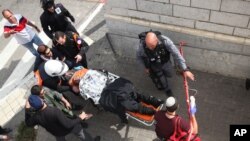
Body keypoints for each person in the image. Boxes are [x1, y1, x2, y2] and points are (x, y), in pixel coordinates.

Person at [68, 67, 164, 123]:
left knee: (133, 106)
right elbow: (104, 73)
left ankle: (153, 112)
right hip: (118, 85)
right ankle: (156, 102)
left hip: (111, 97)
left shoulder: (82, 87)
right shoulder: (90, 71)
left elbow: (90, 97)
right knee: (137, 94)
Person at [136, 31, 195, 97]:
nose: (150, 48)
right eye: (148, 46)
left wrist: (185, 69)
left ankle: (161, 77)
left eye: (152, 46)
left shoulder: (165, 41)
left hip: (165, 62)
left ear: (156, 40)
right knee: (161, 79)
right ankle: (167, 90)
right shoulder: (142, 46)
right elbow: (139, 58)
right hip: (154, 65)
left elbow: (177, 55)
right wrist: (145, 68)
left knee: (170, 74)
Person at [25, 95, 99, 141]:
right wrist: (80, 117)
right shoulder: (54, 111)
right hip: (68, 128)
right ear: (41, 100)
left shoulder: (36, 117)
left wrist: (26, 110)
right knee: (80, 133)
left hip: (57, 133)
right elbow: (68, 124)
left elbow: (28, 123)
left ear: (33, 107)